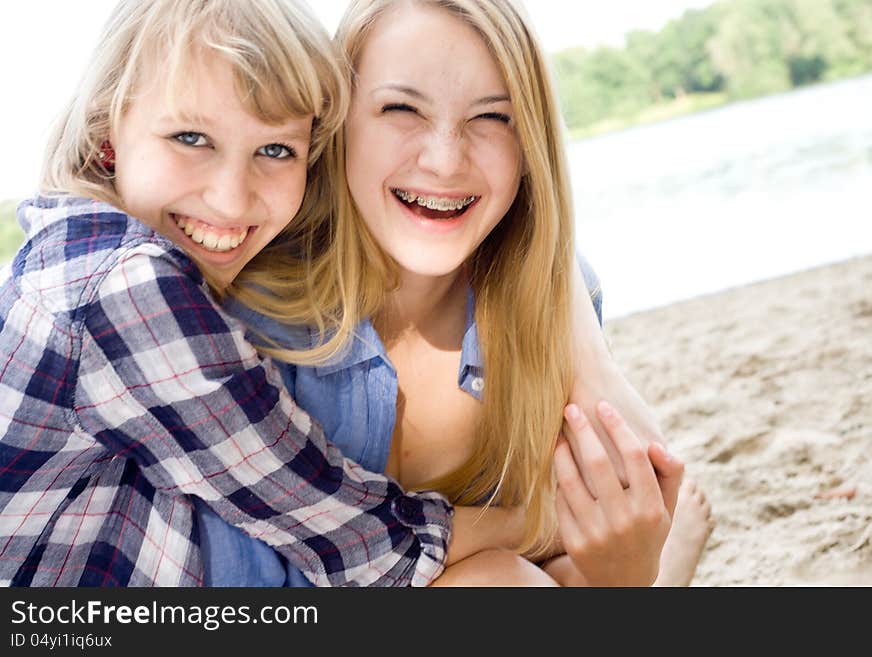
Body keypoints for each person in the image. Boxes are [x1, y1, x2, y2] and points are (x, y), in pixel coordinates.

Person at [0, 0, 529, 587]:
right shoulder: (124, 287)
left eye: (276, 150)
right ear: (106, 137)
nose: (231, 198)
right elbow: (360, 544)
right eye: (190, 137)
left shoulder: (71, 253)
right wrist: (538, 525)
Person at [198, 0, 710, 586]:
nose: (444, 161)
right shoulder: (252, 316)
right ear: (335, 126)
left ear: (529, 148)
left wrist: (626, 571)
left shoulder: (546, 296)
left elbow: (564, 559)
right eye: (400, 108)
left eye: (493, 118)